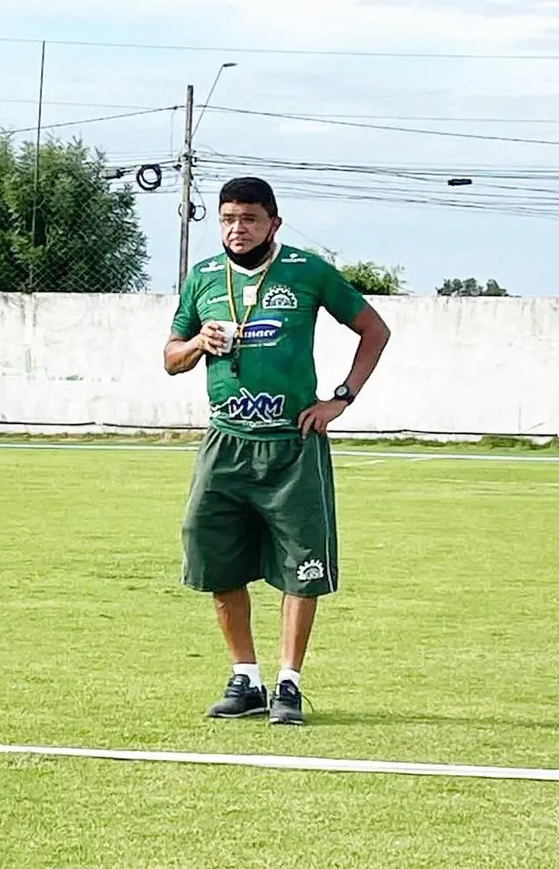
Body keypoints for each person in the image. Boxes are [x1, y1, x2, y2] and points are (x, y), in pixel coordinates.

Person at [163, 176, 391, 724]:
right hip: (225, 443)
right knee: (213, 553)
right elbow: (170, 357)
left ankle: (289, 683)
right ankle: (246, 678)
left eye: (249, 219)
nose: (237, 230)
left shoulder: (306, 272)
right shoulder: (202, 280)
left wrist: (340, 400)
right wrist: (197, 343)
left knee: (301, 563)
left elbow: (374, 330)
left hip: (292, 444)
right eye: (227, 220)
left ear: (274, 223)